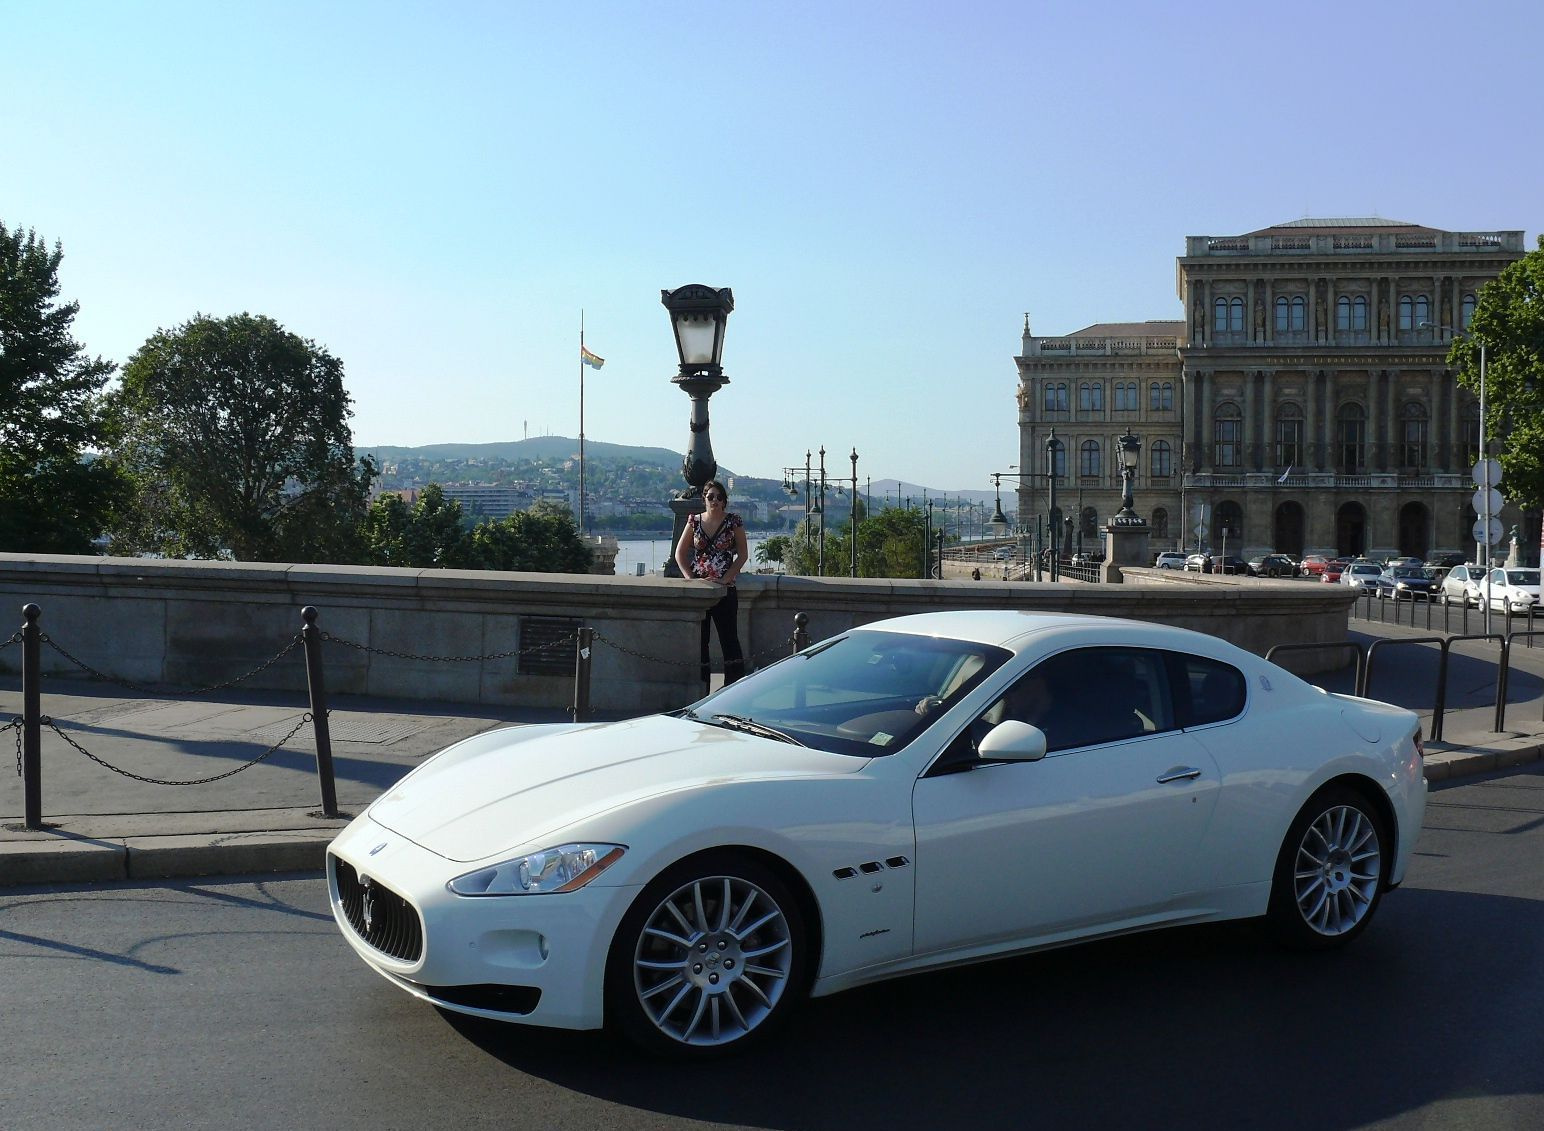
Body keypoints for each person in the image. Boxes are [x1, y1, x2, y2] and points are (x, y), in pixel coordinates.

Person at [674, 480, 748, 688]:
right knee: (701, 641)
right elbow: (680, 553)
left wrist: (726, 578)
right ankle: (702, 687)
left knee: (730, 640)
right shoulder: (694, 521)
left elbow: (742, 555)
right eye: (710, 496)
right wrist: (690, 578)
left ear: (724, 501)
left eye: (719, 497)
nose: (715, 500)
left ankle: (733, 688)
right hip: (700, 589)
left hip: (725, 589)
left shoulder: (734, 522)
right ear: (704, 499)